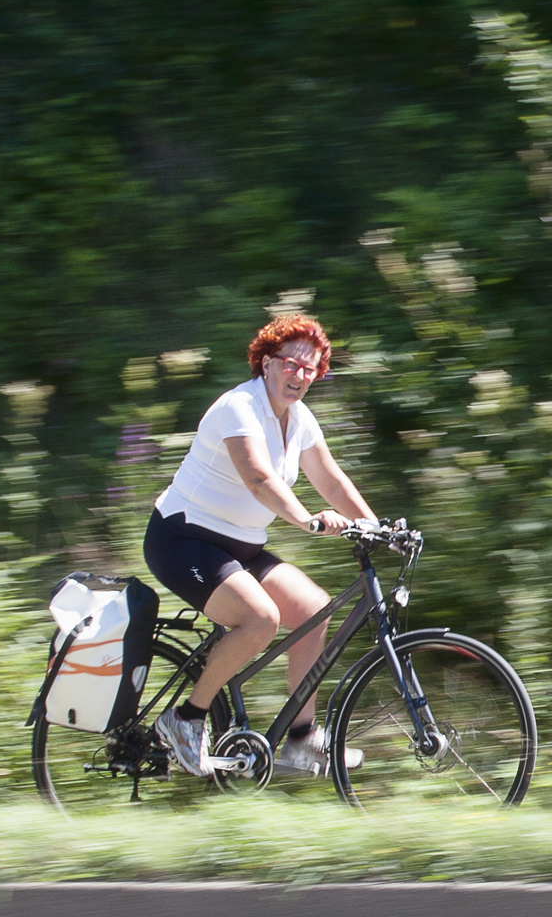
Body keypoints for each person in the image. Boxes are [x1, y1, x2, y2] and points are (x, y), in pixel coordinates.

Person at [141, 315, 375, 777]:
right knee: (260, 619)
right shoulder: (239, 407)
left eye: (311, 370)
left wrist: (375, 525)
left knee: (315, 609)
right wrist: (307, 520)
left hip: (239, 545)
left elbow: (329, 477)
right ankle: (185, 719)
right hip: (183, 539)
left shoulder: (300, 420)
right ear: (267, 364)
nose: (300, 376)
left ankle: (302, 740)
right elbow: (258, 478)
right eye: (291, 364)